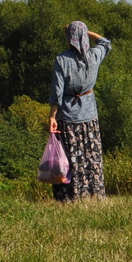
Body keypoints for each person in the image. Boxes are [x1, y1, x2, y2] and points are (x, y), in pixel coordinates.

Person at [48, 21, 111, 201]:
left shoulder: (62, 59)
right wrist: (86, 32)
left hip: (67, 116)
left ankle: (71, 196)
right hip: (89, 115)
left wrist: (52, 115)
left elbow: (57, 92)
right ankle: (94, 194)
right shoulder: (94, 55)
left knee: (69, 157)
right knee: (91, 157)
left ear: (69, 38)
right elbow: (106, 42)